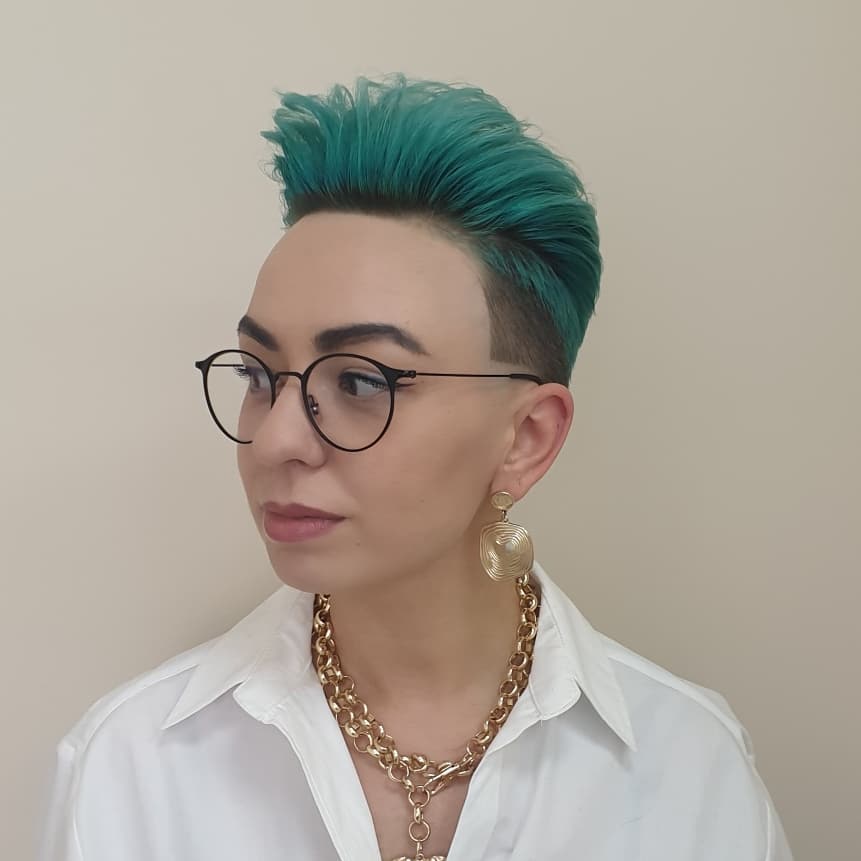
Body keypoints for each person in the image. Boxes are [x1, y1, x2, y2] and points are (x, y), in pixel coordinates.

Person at [38, 73, 793, 861]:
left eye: (360, 382)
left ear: (526, 437)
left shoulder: (689, 771)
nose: (273, 440)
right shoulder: (131, 770)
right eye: (257, 374)